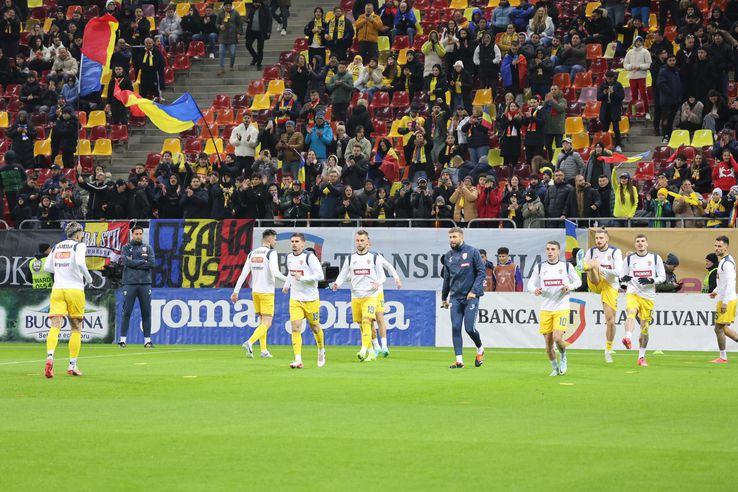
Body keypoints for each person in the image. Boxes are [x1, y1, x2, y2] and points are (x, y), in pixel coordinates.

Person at [43, 222, 93, 378]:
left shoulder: (57, 246)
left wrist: (61, 270)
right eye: (82, 233)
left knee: (55, 326)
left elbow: (47, 268)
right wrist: (89, 278)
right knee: (76, 328)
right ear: (78, 234)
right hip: (74, 289)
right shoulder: (79, 246)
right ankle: (72, 365)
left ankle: (50, 357)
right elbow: (79, 263)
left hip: (57, 289)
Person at [231, 229, 288, 358]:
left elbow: (244, 274)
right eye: (274, 239)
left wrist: (236, 291)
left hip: (255, 292)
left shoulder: (252, 253)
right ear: (269, 240)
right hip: (267, 292)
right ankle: (250, 342)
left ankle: (263, 350)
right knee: (267, 323)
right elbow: (276, 273)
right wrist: (289, 280)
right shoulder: (271, 253)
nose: (275, 242)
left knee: (262, 322)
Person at [527, 240, 582, 376]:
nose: (550, 252)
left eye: (552, 249)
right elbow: (530, 285)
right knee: (548, 344)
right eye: (548, 249)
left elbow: (578, 281)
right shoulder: (540, 267)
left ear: (558, 251)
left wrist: (569, 287)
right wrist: (535, 290)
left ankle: (563, 356)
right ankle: (554, 367)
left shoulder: (566, 266)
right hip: (546, 308)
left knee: (557, 338)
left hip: (561, 307)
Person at [331, 230, 384, 362]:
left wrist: (378, 282)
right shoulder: (350, 258)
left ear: (367, 242)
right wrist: (337, 283)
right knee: (362, 325)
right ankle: (371, 352)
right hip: (355, 296)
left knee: (367, 321)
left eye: (362, 240)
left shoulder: (374, 257)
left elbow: (382, 275)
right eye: (357, 240)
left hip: (370, 295)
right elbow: (343, 275)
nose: (359, 243)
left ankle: (362, 350)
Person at [440, 227, 486, 369]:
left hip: (470, 296)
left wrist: (474, 291)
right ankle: (459, 360)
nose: (452, 240)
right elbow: (447, 278)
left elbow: (481, 272)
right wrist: (444, 297)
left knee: (469, 328)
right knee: (455, 327)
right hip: (455, 297)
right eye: (450, 237)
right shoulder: (448, 256)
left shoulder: (472, 252)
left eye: (454, 237)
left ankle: (480, 348)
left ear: (461, 237)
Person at [619, 234, 666, 367]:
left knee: (644, 328)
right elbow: (621, 276)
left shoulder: (655, 258)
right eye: (638, 241)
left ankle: (641, 356)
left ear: (647, 244)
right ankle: (627, 337)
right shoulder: (628, 259)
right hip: (633, 292)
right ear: (635, 245)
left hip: (648, 296)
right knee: (631, 312)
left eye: (642, 241)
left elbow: (662, 277)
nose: (640, 243)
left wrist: (651, 280)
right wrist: (625, 280)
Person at [282, 232, 326, 368]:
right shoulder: (289, 257)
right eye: (292, 241)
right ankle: (298, 359)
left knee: (315, 327)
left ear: (303, 243)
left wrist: (302, 278)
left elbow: (320, 276)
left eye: (296, 241)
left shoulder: (310, 257)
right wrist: (287, 285)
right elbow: (291, 273)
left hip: (311, 299)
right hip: (295, 299)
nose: (294, 244)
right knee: (295, 327)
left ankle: (321, 350)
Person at [582, 229, 623, 363]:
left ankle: (608, 349)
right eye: (597, 238)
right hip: (595, 282)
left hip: (610, 284)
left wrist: (599, 268)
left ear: (607, 239)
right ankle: (592, 268)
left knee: (610, 320)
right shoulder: (591, 251)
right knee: (591, 265)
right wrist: (590, 267)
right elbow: (583, 267)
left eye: (601, 238)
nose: (598, 240)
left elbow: (618, 272)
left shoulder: (615, 252)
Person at [118, 225, 155, 348]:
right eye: (136, 234)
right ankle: (122, 340)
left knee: (146, 312)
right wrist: (141, 262)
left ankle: (147, 341)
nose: (139, 236)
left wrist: (134, 263)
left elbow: (152, 264)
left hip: (145, 284)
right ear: (132, 235)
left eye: (140, 234)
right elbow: (127, 262)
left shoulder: (147, 248)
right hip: (129, 283)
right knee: (126, 312)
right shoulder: (126, 248)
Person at [708, 236, 738, 363]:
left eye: (720, 246)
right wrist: (715, 292)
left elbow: (731, 284)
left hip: (728, 299)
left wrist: (725, 302)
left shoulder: (727, 263)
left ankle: (723, 357)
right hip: (724, 298)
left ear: (726, 247)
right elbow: (722, 283)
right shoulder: (723, 261)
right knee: (723, 328)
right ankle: (723, 356)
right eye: (716, 246)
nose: (717, 248)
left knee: (718, 328)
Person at [371, 246, 402, 357]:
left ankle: (384, 346)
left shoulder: (376, 256)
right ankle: (376, 347)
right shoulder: (357, 258)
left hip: (378, 292)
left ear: (368, 244)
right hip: (366, 293)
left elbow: (388, 265)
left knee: (380, 317)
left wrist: (396, 278)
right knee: (369, 320)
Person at [597, 70, 625, 152]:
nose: (608, 80)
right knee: (604, 129)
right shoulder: (603, 85)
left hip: (615, 109)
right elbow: (598, 98)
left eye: (610, 78)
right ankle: (604, 146)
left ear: (613, 77)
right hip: (605, 109)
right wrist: (604, 93)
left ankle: (618, 145)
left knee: (616, 128)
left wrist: (613, 93)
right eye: (607, 78)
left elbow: (621, 97)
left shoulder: (618, 85)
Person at [244, 0, 272, 70]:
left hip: (261, 32)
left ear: (260, 3)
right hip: (252, 31)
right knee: (248, 44)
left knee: (260, 48)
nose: (256, 4)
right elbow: (249, 18)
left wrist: (268, 30)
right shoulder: (252, 9)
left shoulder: (265, 9)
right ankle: (255, 57)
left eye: (257, 3)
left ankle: (259, 63)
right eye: (255, 2)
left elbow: (269, 20)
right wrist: (247, 20)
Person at [229, 111, 259, 177]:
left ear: (250, 119)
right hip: (239, 157)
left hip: (249, 157)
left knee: (249, 175)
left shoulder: (255, 131)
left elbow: (255, 144)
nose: (246, 120)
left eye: (248, 118)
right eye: (245, 118)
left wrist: (249, 140)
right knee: (237, 175)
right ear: (242, 119)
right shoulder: (236, 129)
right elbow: (231, 141)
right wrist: (238, 140)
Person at [217, 1, 242, 75]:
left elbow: (239, 24)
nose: (228, 7)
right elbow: (216, 23)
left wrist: (239, 33)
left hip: (232, 37)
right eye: (226, 6)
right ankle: (221, 69)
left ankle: (231, 65)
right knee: (221, 53)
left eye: (229, 5)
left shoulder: (236, 13)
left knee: (232, 53)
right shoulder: (220, 13)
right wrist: (219, 26)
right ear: (224, 6)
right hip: (222, 37)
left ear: (231, 6)